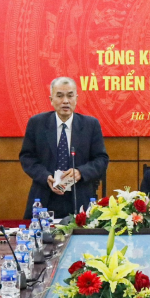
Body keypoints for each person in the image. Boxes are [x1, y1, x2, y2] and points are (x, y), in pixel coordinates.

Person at [19, 77, 110, 219]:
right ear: (51, 99)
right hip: (44, 196)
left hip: (79, 197)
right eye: (60, 96)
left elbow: (101, 159)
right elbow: (27, 157)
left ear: (76, 98)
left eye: (70, 95)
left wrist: (80, 172)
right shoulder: (37, 123)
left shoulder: (90, 125)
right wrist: (46, 177)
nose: (65, 101)